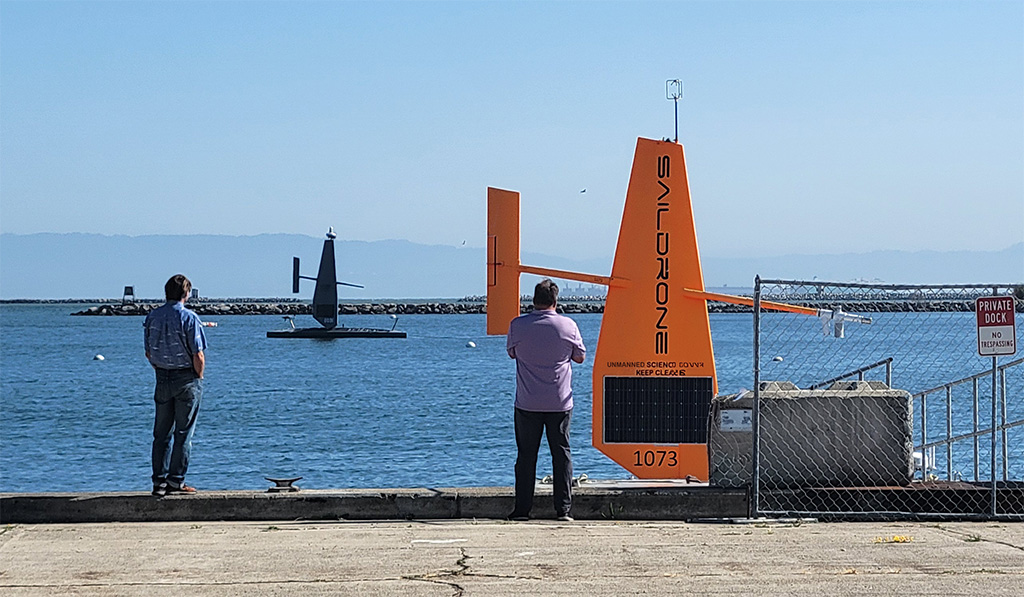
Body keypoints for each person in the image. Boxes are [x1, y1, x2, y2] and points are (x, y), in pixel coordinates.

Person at [506, 279, 586, 521]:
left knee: (526, 456)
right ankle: (563, 510)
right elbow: (580, 357)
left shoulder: (518, 325)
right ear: (555, 301)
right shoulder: (568, 325)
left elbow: (512, 353)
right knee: (561, 455)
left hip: (527, 402)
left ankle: (522, 510)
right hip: (559, 401)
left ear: (534, 300)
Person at [144, 274, 208, 496]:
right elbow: (198, 354)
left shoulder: (153, 317)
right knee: (183, 433)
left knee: (161, 433)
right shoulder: (190, 318)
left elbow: (148, 352)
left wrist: (160, 368)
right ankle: (175, 480)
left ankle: (158, 482)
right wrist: (199, 377)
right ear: (186, 293)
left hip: (162, 376)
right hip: (186, 377)